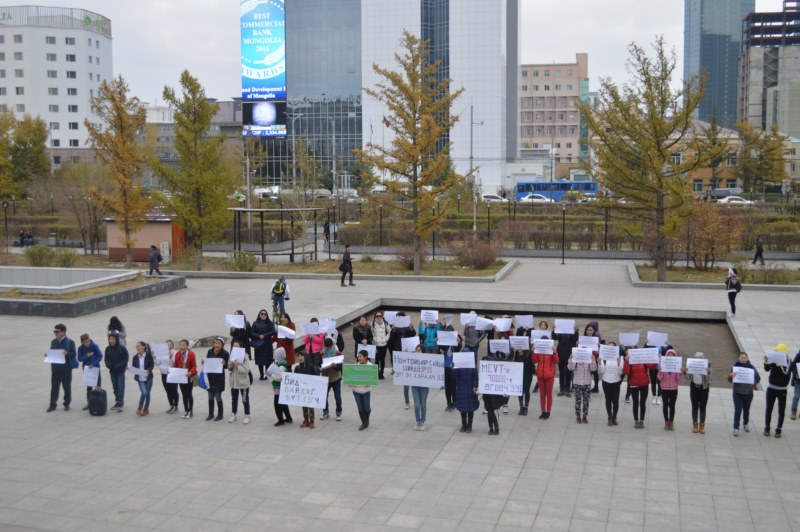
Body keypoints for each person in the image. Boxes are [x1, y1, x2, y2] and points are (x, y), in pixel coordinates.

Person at [46, 323, 77, 412]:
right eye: (54, 331)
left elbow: (74, 354)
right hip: (55, 369)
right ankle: (52, 404)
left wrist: (67, 354)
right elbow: (52, 353)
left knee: (66, 387)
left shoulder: (70, 342)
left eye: (57, 331)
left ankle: (67, 403)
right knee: (54, 387)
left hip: (66, 369)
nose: (55, 333)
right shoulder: (53, 342)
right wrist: (47, 355)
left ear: (63, 332)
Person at [389, 311, 416, 409]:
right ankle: (407, 401)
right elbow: (391, 339)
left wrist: (411, 328)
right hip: (399, 351)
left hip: (409, 352)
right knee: (405, 382)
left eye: (401, 317)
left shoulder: (407, 326)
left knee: (411, 381)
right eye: (397, 317)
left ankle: (414, 400)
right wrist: (393, 330)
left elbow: (413, 334)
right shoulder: (395, 327)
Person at [728, 352, 760, 436]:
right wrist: (730, 376)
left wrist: (754, 383)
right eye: (741, 358)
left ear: (747, 358)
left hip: (748, 393)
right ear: (739, 358)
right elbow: (729, 380)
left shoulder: (751, 367)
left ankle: (745, 423)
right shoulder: (734, 367)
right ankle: (736, 427)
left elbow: (758, 378)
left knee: (746, 410)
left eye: (744, 358)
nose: (743, 359)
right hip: (737, 393)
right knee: (738, 410)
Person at [623, 350, 657, 429]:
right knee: (635, 403)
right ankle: (636, 420)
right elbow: (626, 372)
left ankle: (641, 420)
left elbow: (652, 366)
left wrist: (655, 359)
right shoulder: (629, 361)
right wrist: (626, 361)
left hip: (644, 383)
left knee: (642, 403)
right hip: (634, 384)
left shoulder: (643, 360)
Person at [763, 344, 791, 438]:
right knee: (769, 408)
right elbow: (766, 369)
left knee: (781, 410)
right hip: (771, 388)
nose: (776, 353)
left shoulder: (788, 360)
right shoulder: (774, 359)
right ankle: (767, 427)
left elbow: (786, 373)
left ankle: (778, 429)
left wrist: (780, 365)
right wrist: (766, 362)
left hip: (782, 389)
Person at [683, 351, 711, 434]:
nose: (698, 360)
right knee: (694, 406)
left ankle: (702, 425)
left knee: (703, 407)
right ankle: (695, 424)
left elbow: (709, 380)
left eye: (700, 358)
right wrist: (685, 372)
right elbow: (688, 377)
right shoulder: (691, 365)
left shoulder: (708, 366)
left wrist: (708, 372)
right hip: (694, 387)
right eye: (696, 358)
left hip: (704, 388)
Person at [532, 334, 558, 419]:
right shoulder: (538, 351)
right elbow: (534, 361)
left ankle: (548, 412)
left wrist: (554, 352)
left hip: (549, 375)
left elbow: (556, 361)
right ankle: (543, 411)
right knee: (542, 394)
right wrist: (534, 352)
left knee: (549, 394)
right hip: (540, 375)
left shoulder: (551, 351)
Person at [453, 347, 479, 433]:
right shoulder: (459, 365)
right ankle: (463, 425)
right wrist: (453, 367)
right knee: (462, 408)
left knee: (471, 408)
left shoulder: (473, 365)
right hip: (461, 389)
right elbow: (454, 376)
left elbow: (475, 376)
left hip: (471, 389)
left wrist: (475, 386)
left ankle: (469, 425)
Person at [568, 348, 597, 424]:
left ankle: (584, 417)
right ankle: (578, 416)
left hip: (587, 383)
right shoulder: (576, 360)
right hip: (577, 383)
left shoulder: (589, 360)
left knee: (586, 401)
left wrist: (593, 360)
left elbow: (594, 369)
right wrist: (570, 359)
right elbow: (570, 368)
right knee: (578, 401)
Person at [204, 338, 229, 421]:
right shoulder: (210, 351)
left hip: (219, 378)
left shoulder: (225, 353)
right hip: (210, 377)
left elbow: (228, 366)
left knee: (217, 396)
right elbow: (207, 362)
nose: (217, 345)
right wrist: (204, 362)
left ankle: (220, 414)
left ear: (222, 345)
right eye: (216, 343)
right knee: (210, 396)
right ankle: (211, 414)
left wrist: (224, 364)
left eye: (219, 343)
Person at [228, 340, 252, 425]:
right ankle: (233, 414)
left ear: (241, 347)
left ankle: (247, 415)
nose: (235, 348)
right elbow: (229, 368)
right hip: (234, 382)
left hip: (243, 382)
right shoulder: (231, 356)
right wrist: (230, 366)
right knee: (234, 399)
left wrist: (237, 366)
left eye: (236, 346)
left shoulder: (245, 356)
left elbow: (246, 370)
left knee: (245, 399)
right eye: (233, 346)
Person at [598, 343, 622, 426]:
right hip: (606, 381)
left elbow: (621, 372)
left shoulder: (619, 358)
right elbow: (601, 372)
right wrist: (600, 363)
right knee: (608, 399)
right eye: (609, 347)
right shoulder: (603, 358)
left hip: (616, 381)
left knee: (615, 401)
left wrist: (619, 363)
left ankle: (614, 416)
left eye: (612, 347)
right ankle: (609, 416)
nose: (611, 348)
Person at [77, 333, 102, 411]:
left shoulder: (94, 346)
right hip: (87, 369)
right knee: (89, 387)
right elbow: (80, 359)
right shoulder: (80, 348)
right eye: (85, 342)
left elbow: (100, 355)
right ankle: (89, 402)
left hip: (95, 368)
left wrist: (94, 363)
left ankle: (99, 402)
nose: (87, 343)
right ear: (82, 342)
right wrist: (86, 356)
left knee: (98, 386)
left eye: (88, 341)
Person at [104, 331, 128, 412]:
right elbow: (106, 359)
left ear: (116, 339)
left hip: (120, 371)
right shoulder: (108, 349)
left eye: (113, 339)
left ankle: (120, 403)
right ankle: (117, 401)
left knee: (120, 387)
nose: (111, 340)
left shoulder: (122, 348)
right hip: (112, 372)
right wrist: (109, 365)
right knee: (115, 388)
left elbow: (125, 359)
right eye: (110, 339)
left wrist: (118, 366)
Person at [657, 348, 681, 431]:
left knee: (672, 406)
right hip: (664, 388)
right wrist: (660, 371)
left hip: (674, 388)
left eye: (672, 356)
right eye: (669, 356)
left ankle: (671, 422)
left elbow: (678, 379)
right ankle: (666, 422)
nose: (670, 357)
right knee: (665, 406)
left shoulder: (677, 365)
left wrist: (679, 372)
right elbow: (660, 378)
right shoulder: (663, 365)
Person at [320, 337, 343, 421]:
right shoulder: (322, 353)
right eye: (326, 347)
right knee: (324, 396)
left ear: (332, 345)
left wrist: (336, 366)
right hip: (325, 378)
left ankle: (338, 413)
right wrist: (320, 368)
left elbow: (341, 367)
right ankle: (325, 412)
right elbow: (318, 364)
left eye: (329, 347)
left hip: (336, 378)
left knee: (337, 397)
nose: (328, 348)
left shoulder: (337, 353)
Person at [294, 351, 319, 428]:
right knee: (304, 406)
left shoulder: (311, 367)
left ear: (306, 357)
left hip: (310, 390)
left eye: (302, 356)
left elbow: (316, 376)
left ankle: (312, 421)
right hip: (302, 390)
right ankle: (305, 420)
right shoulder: (297, 368)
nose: (300, 358)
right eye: (299, 356)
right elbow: (294, 378)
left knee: (311, 406)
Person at [350, 350, 373, 430]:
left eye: (360, 356)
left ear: (365, 357)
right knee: (360, 408)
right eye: (358, 356)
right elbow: (350, 378)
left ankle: (366, 420)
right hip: (356, 391)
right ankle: (364, 423)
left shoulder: (371, 366)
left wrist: (370, 383)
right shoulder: (355, 366)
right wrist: (350, 383)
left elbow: (373, 379)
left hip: (366, 391)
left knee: (366, 408)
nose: (358, 358)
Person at [269, 347, 293, 426]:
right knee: (283, 403)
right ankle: (288, 418)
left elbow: (280, 377)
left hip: (279, 388)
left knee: (277, 405)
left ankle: (281, 420)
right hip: (281, 388)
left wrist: (270, 375)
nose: (274, 357)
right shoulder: (282, 363)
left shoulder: (281, 366)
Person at [174, 339, 197, 419]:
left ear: (187, 346)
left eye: (184, 345)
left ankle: (190, 411)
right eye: (181, 345)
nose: (182, 346)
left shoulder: (191, 354)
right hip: (181, 377)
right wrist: (172, 372)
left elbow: (194, 366)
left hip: (189, 377)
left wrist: (191, 372)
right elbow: (175, 366)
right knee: (184, 394)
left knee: (189, 394)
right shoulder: (177, 354)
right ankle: (186, 410)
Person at [482, 352, 504, 435]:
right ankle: (492, 427)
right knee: (489, 410)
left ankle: (495, 427)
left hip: (493, 395)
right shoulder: (483, 370)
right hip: (486, 394)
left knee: (490, 411)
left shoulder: (495, 371)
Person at [155, 339, 179, 414]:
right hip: (164, 373)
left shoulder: (176, 353)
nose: (168, 346)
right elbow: (157, 363)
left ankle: (176, 405)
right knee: (167, 390)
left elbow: (174, 363)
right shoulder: (161, 353)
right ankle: (171, 405)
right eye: (166, 345)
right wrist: (154, 357)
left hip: (172, 373)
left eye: (169, 344)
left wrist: (171, 357)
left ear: (172, 345)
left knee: (173, 390)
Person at [250, 309, 275, 380]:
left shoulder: (270, 323)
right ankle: (261, 374)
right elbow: (252, 333)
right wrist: (259, 336)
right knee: (260, 361)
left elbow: (273, 331)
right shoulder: (255, 323)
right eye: (262, 314)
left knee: (268, 360)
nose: (263, 315)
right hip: (259, 344)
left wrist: (264, 335)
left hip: (267, 343)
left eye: (265, 314)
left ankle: (266, 374)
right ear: (259, 314)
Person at [132, 341, 154, 416]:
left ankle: (146, 409)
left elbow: (152, 365)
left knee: (147, 394)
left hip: (148, 378)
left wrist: (148, 370)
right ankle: (140, 407)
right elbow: (134, 367)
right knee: (144, 392)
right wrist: (129, 368)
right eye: (137, 346)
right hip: (140, 378)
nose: (137, 347)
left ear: (144, 347)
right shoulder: (135, 357)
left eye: (139, 346)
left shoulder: (149, 355)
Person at [555, 325, 578, 397]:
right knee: (561, 372)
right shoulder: (560, 333)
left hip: (570, 355)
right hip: (561, 354)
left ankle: (568, 388)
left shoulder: (572, 333)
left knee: (569, 372)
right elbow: (554, 337)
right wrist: (554, 330)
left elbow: (575, 339)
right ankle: (562, 388)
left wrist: (575, 331)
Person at [371, 312, 391, 380]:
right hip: (376, 344)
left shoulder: (385, 323)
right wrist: (374, 339)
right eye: (377, 316)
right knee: (377, 359)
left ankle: (381, 372)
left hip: (384, 344)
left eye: (380, 316)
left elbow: (389, 331)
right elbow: (371, 333)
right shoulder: (372, 324)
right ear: (375, 317)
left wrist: (386, 338)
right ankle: (376, 373)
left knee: (382, 359)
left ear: (382, 316)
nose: (379, 317)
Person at [791, 347, 800, 420]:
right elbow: (793, 365)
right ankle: (794, 411)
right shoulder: (799, 355)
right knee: (796, 395)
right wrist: (796, 373)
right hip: (798, 380)